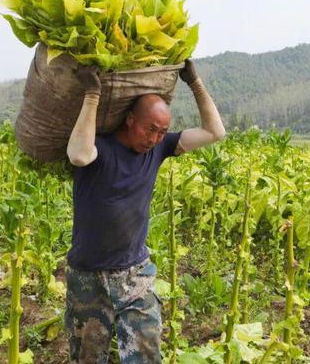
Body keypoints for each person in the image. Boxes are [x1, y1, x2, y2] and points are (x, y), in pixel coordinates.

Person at [64, 59, 225, 363]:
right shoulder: (99, 148)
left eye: (162, 132)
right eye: (150, 129)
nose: (154, 139)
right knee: (87, 358)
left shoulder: (160, 150)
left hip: (134, 273)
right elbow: (78, 155)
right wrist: (93, 95)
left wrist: (196, 83)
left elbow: (214, 132)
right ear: (129, 120)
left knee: (147, 354)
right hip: (87, 275)